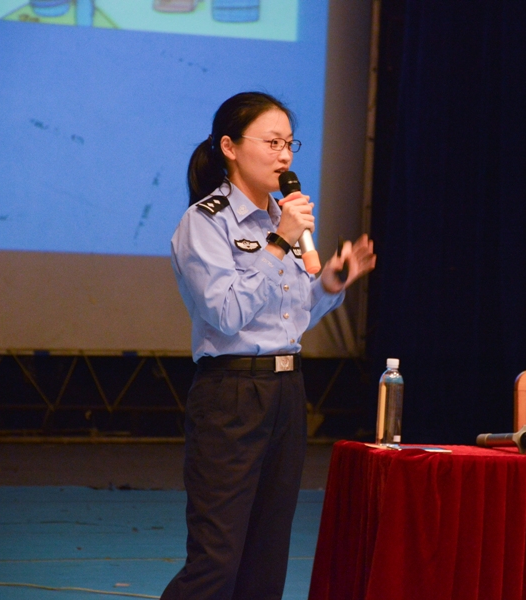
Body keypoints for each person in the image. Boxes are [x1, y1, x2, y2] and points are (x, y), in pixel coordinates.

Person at [161, 91, 376, 599]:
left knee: (266, 558)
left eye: (289, 144)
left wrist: (329, 285)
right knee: (217, 559)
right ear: (230, 147)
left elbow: (289, 319)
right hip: (232, 394)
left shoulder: (282, 217)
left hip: (286, 392)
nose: (284, 156)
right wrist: (279, 242)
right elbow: (227, 314)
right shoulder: (206, 222)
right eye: (272, 143)